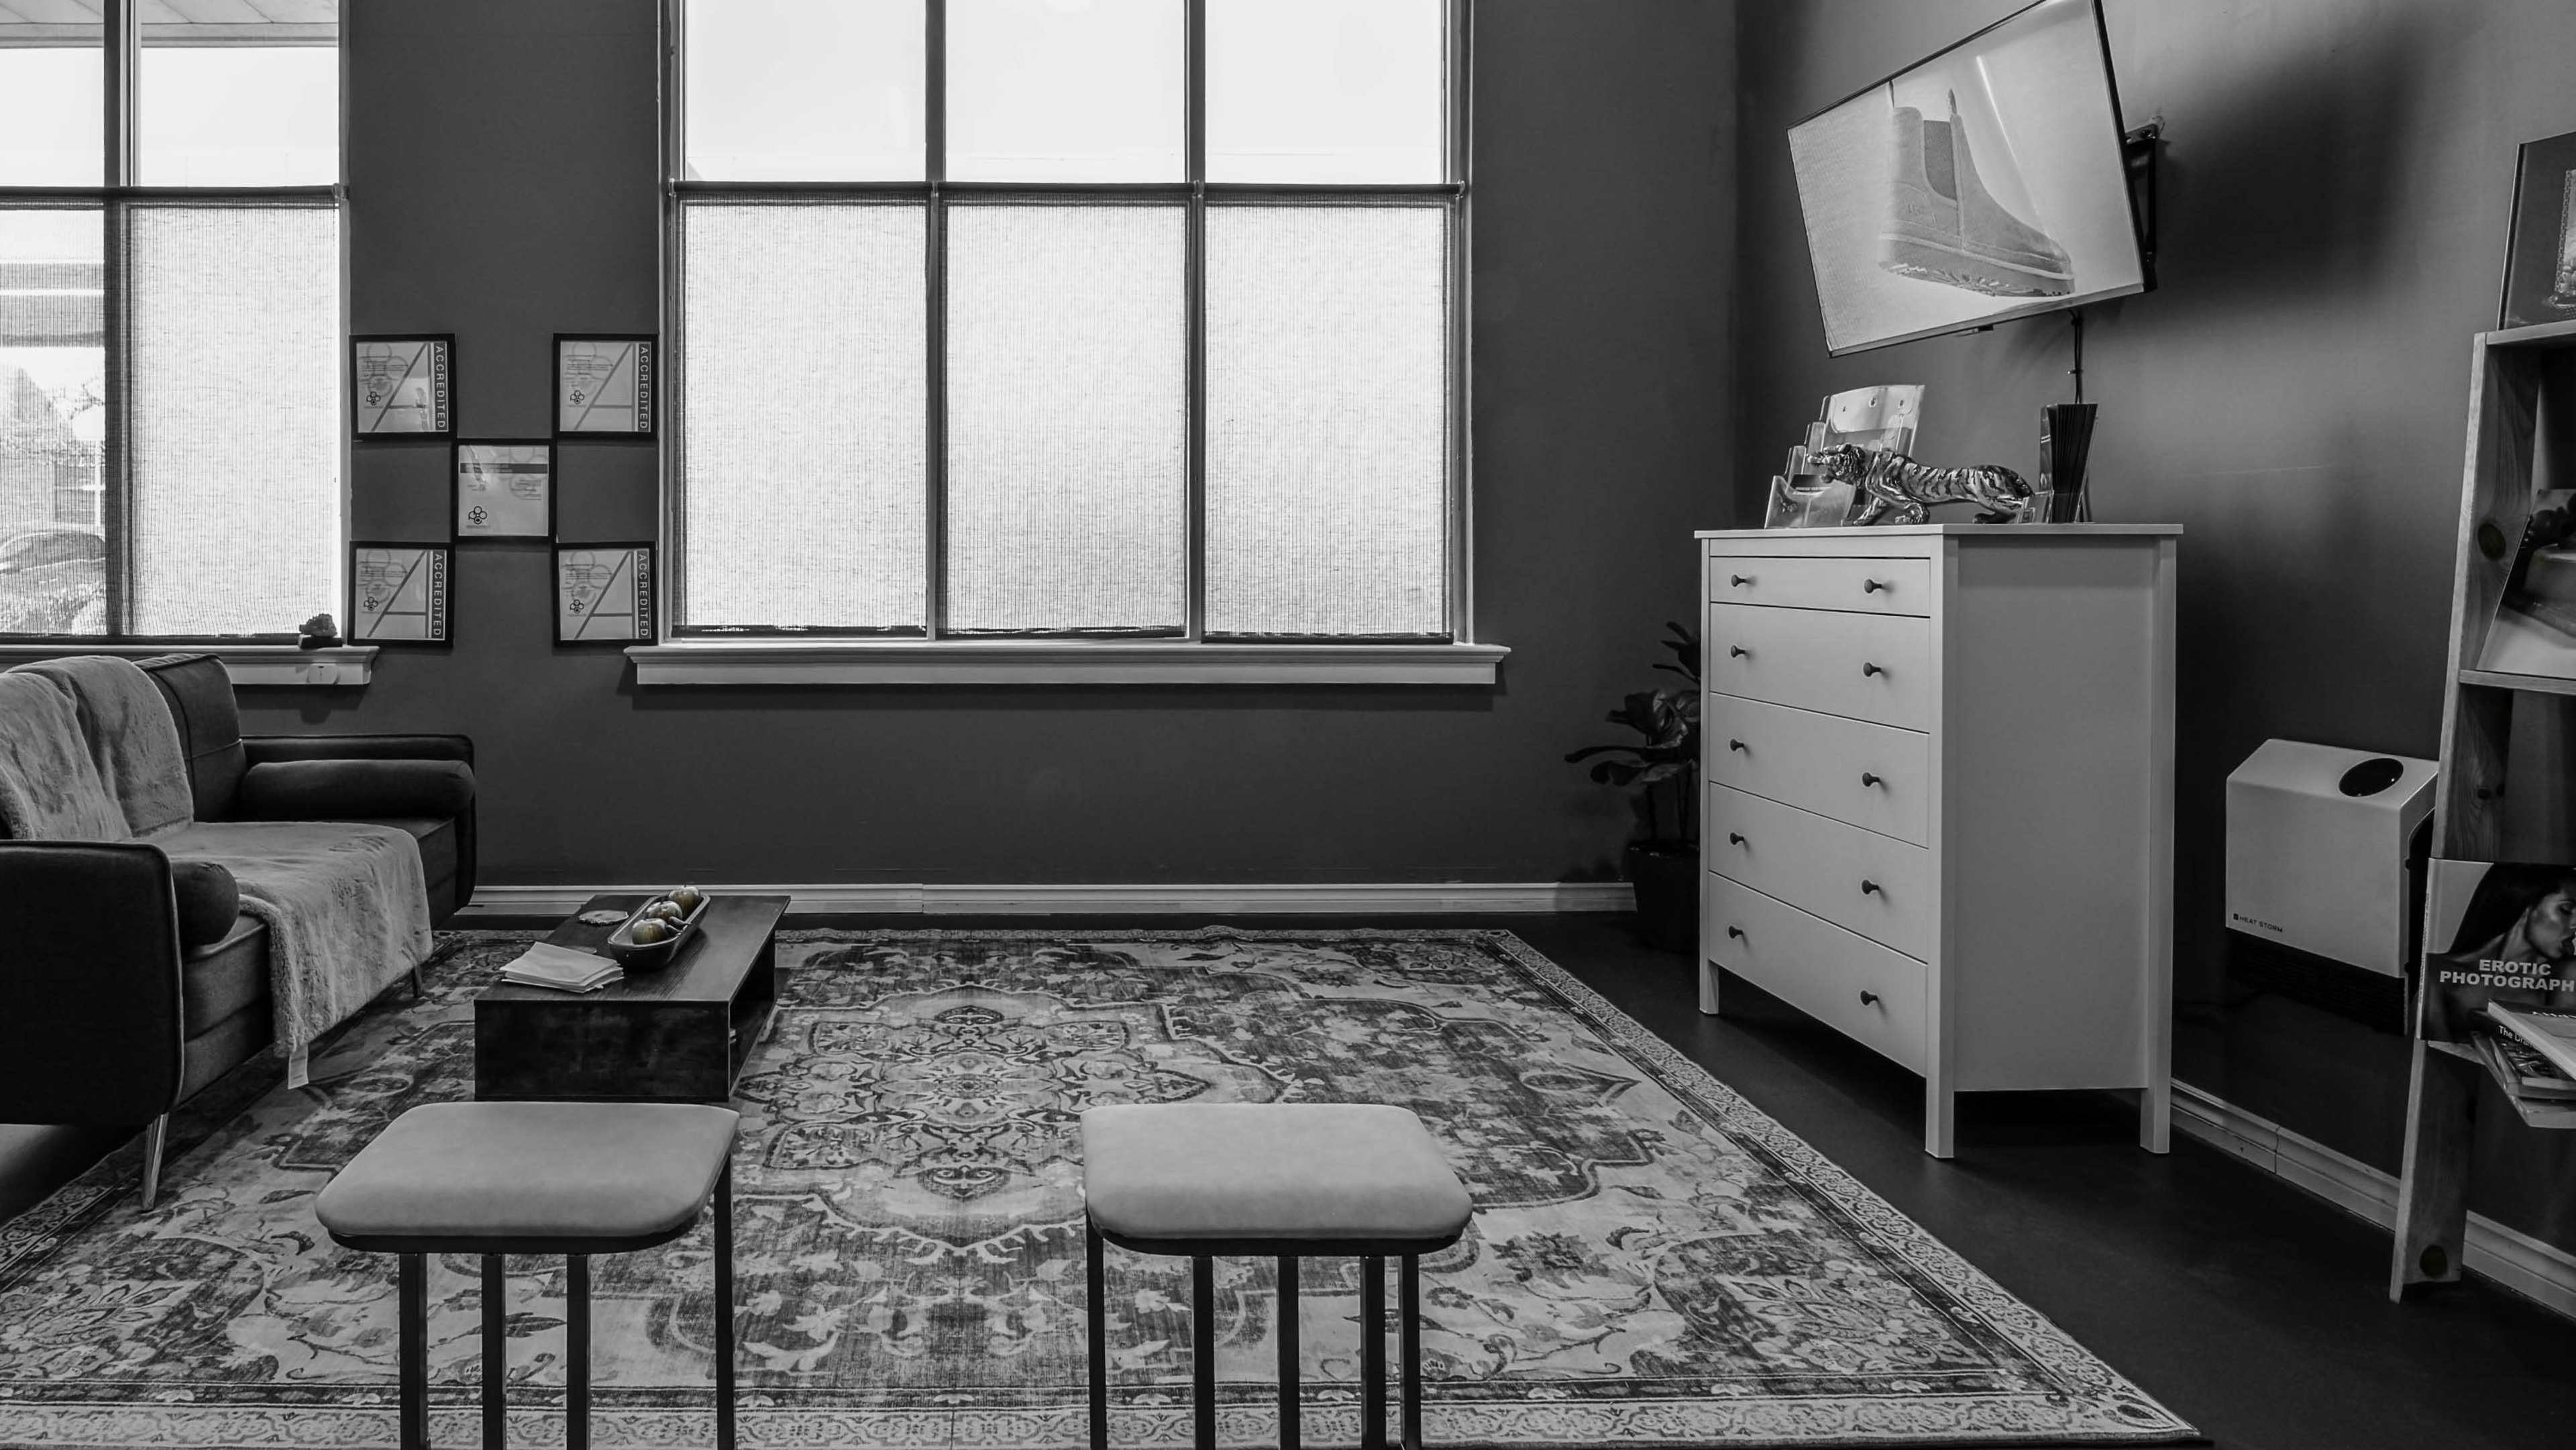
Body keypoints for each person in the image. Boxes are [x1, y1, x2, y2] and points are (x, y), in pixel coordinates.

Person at [2420, 863, 2576, 1041]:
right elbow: (2434, 1054)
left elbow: (2562, 1054)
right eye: (2566, 910)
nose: (2575, 924)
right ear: (2525, 905)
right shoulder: (2436, 974)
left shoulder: (2565, 975)